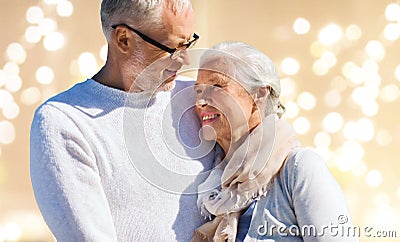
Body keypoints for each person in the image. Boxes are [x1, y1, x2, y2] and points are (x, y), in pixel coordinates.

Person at [30, 0, 215, 241]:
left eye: (189, 43)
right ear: (123, 39)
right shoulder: (65, 121)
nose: (186, 60)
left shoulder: (199, 98)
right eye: (173, 48)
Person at [191, 42, 357, 241]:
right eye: (198, 91)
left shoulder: (299, 168)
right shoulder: (211, 185)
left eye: (217, 86)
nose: (200, 101)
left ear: (259, 94)